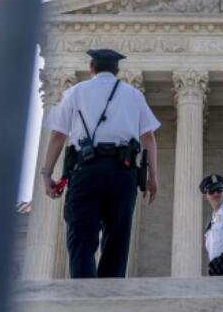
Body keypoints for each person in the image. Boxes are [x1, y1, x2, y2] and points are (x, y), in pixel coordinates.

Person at [39, 49, 160, 278]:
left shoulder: (75, 92)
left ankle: (84, 300)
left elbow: (57, 135)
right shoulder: (133, 95)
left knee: (81, 239)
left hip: (85, 170)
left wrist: (46, 174)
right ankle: (109, 301)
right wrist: (153, 177)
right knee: (117, 241)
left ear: (91, 69)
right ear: (117, 71)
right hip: (123, 171)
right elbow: (148, 138)